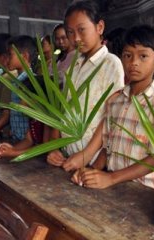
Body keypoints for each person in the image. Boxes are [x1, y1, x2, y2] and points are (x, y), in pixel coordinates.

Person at [68, 25, 154, 189]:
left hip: (141, 192)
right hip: (112, 187)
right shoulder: (115, 101)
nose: (133, 62)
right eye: (128, 55)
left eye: (143, 56)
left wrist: (111, 178)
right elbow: (107, 146)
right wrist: (90, 172)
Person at [46, 0, 124, 167]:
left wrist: (86, 155)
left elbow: (112, 116)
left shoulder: (111, 63)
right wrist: (55, 148)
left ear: (99, 27)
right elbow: (62, 109)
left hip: (94, 159)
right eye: (70, 32)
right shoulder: (73, 65)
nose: (76, 38)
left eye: (81, 30)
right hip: (68, 154)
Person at [6, 35, 37, 141]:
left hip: (28, 142)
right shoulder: (15, 81)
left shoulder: (32, 82)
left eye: (10, 55)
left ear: (24, 56)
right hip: (16, 138)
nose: (7, 59)